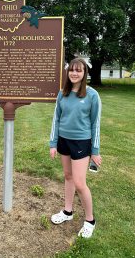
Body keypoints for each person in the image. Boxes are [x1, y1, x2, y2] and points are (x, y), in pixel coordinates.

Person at [49, 58, 102, 238]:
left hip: (81, 142)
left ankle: (90, 220)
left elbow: (95, 124)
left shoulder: (92, 95)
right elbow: (56, 119)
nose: (74, 73)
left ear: (84, 73)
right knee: (68, 176)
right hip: (63, 140)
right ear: (68, 72)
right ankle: (68, 211)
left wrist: (94, 151)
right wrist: (53, 143)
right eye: (72, 70)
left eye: (78, 70)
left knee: (80, 183)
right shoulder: (61, 93)